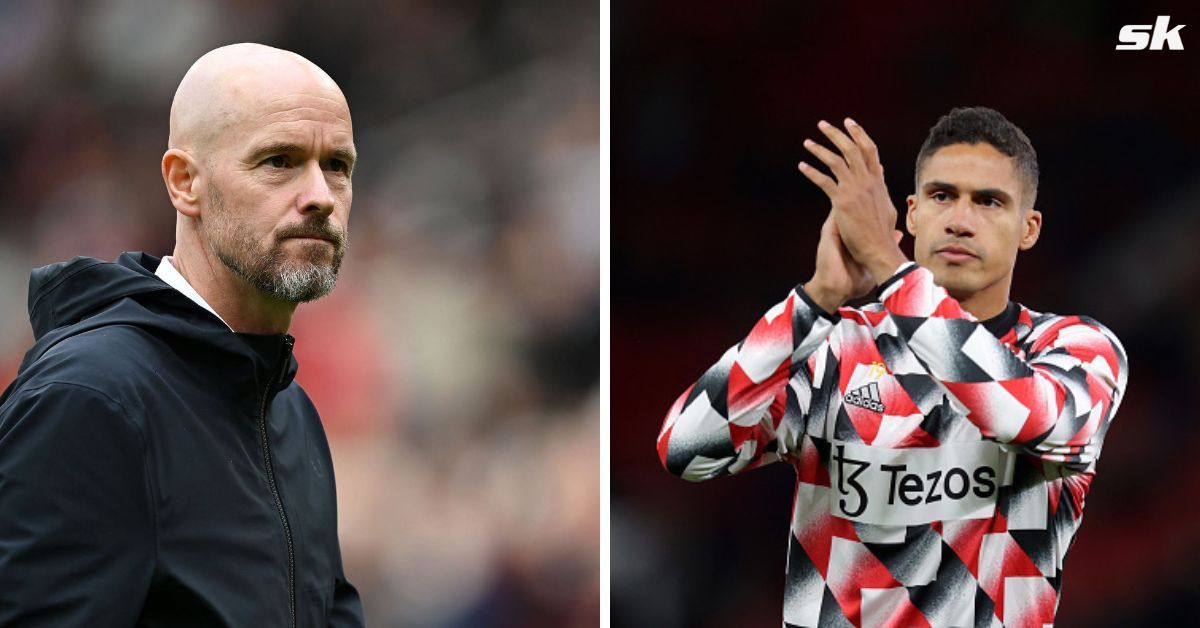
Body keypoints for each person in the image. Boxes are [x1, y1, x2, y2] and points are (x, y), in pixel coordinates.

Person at [657, 107, 1128, 627]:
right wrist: (814, 301)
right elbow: (686, 449)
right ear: (912, 214)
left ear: (1028, 228)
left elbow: (1030, 420)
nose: (960, 220)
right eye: (942, 195)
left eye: (989, 202)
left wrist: (890, 267)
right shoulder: (836, 346)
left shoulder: (1073, 348)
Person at [0, 43, 364, 626]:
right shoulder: (90, 396)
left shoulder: (290, 410)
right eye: (279, 160)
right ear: (184, 182)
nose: (320, 195)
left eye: (337, 166)